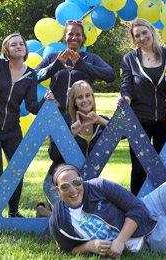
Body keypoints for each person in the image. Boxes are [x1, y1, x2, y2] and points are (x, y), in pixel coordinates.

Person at [0, 33, 54, 218]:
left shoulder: (31, 74)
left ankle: (13, 212)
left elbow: (31, 106)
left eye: (21, 44)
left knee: (17, 170)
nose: (19, 46)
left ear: (26, 49)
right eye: (13, 45)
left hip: (12, 131)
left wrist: (45, 101)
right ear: (7, 51)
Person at [35, 20, 116, 190]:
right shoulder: (53, 56)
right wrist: (56, 64)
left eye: (78, 34)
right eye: (70, 34)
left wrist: (83, 65)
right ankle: (53, 191)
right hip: (57, 117)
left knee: (79, 157)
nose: (74, 37)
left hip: (81, 117)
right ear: (64, 37)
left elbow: (110, 75)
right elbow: (34, 76)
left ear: (83, 38)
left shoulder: (90, 58)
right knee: (58, 156)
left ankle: (82, 191)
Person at [117, 18, 166, 195]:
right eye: (137, 35)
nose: (142, 38)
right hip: (140, 121)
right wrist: (125, 98)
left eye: (144, 32)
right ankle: (137, 208)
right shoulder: (130, 59)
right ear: (134, 39)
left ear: (152, 31)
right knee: (139, 168)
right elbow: (127, 84)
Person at [40, 80, 109, 211]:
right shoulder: (64, 121)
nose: (85, 100)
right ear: (74, 102)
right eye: (79, 97)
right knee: (71, 217)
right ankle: (44, 211)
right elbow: (53, 154)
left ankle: (45, 212)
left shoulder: (101, 121)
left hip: (83, 183)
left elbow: (124, 133)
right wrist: (71, 134)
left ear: (93, 98)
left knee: (89, 216)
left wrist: (99, 120)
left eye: (88, 95)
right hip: (60, 183)